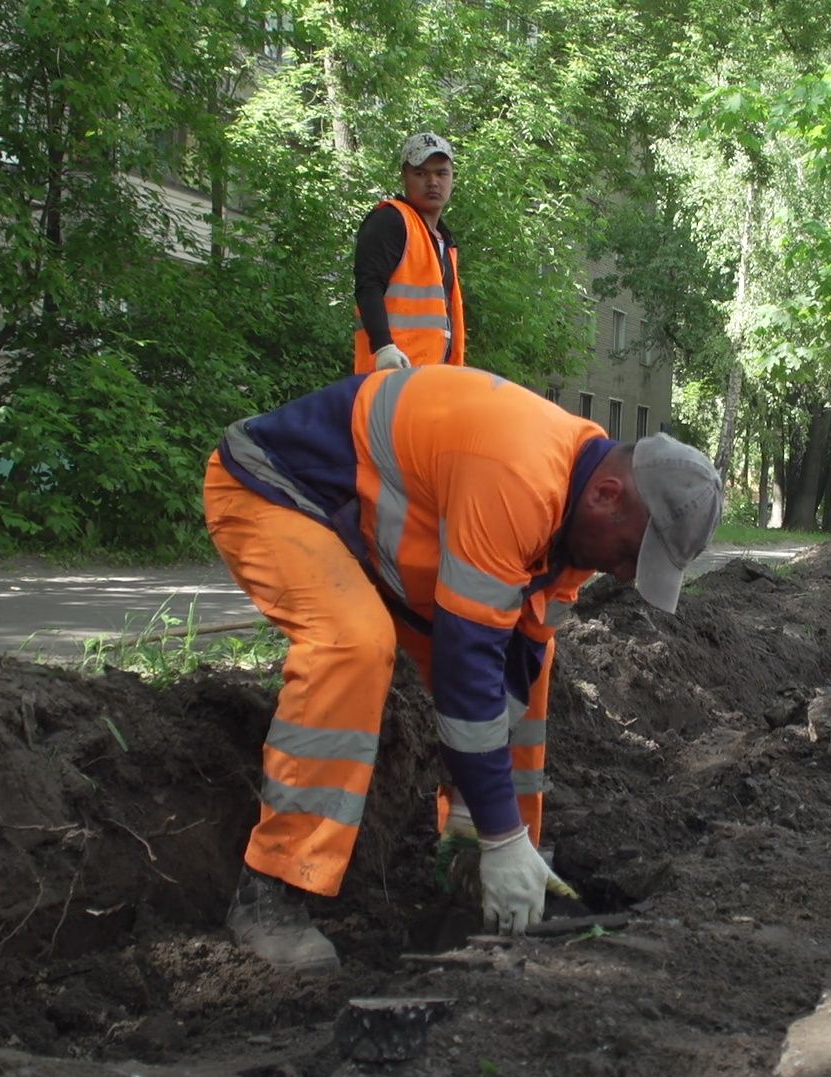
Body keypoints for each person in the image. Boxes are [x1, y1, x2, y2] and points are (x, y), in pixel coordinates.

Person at [204, 364, 724, 970]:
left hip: (372, 535)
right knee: (353, 643)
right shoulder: (520, 475)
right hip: (278, 491)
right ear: (608, 496)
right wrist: (502, 831)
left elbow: (513, 665)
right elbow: (464, 661)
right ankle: (271, 891)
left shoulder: (581, 514)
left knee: (530, 681)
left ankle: (484, 862)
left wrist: (496, 831)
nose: (629, 575)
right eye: (633, 555)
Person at [352, 132, 466, 373]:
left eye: (441, 173)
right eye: (421, 173)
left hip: (431, 380)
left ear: (452, 178)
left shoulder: (443, 241)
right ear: (405, 177)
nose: (433, 181)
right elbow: (368, 285)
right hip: (391, 373)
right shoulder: (391, 220)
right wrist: (383, 347)